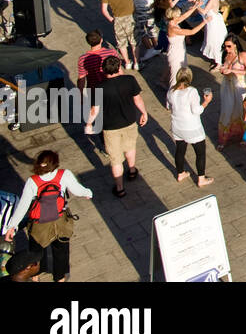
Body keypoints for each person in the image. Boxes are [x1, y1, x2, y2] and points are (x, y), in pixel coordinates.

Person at [1, 151, 93, 283]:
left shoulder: (32, 181)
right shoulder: (64, 174)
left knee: (36, 252)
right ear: (55, 163)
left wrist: (12, 227)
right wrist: (88, 193)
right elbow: (78, 190)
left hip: (39, 224)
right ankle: (60, 278)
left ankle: (35, 276)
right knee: (61, 251)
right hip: (61, 221)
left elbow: (23, 206)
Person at [84, 56, 147, 198]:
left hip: (110, 127)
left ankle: (120, 188)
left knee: (115, 159)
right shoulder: (129, 80)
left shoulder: (100, 88)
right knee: (130, 147)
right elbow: (138, 99)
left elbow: (95, 110)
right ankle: (131, 170)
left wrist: (88, 124)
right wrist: (144, 113)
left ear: (103, 70)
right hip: (129, 121)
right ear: (119, 67)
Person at [167, 67, 214, 186]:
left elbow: (169, 106)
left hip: (177, 126)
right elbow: (197, 110)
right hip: (191, 127)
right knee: (200, 153)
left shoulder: (171, 91)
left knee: (180, 150)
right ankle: (201, 179)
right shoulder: (191, 91)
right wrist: (206, 102)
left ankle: (180, 173)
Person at [216, 38, 246, 149]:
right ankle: (224, 137)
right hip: (228, 87)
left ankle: (245, 137)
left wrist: (232, 71)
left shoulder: (243, 55)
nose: (227, 49)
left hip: (241, 87)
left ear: (235, 45)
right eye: (225, 46)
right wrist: (223, 70)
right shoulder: (226, 56)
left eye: (229, 46)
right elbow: (226, 69)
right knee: (227, 110)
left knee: (243, 111)